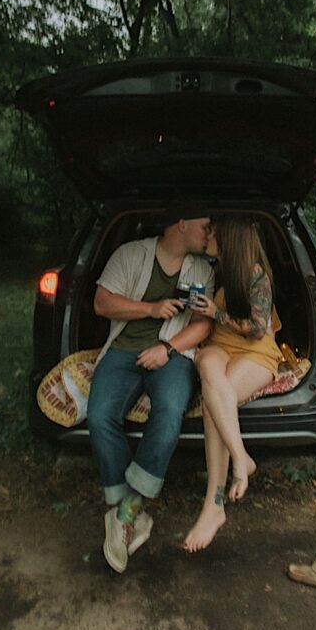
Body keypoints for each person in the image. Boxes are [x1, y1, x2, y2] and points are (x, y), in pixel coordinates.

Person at [87, 208, 214, 573]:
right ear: (182, 223)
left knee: (170, 411)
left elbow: (203, 325)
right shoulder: (130, 254)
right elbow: (101, 303)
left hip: (171, 354)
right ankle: (127, 514)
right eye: (205, 226)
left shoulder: (201, 269)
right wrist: (150, 308)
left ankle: (126, 512)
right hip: (123, 349)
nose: (209, 233)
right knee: (98, 416)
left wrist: (169, 349)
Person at [183, 216, 284, 553]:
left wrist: (216, 313)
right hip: (220, 345)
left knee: (215, 405)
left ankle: (214, 505)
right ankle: (242, 457)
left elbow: (257, 329)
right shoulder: (215, 269)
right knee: (206, 365)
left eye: (213, 231)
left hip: (255, 350)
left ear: (228, 237)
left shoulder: (255, 274)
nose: (208, 235)